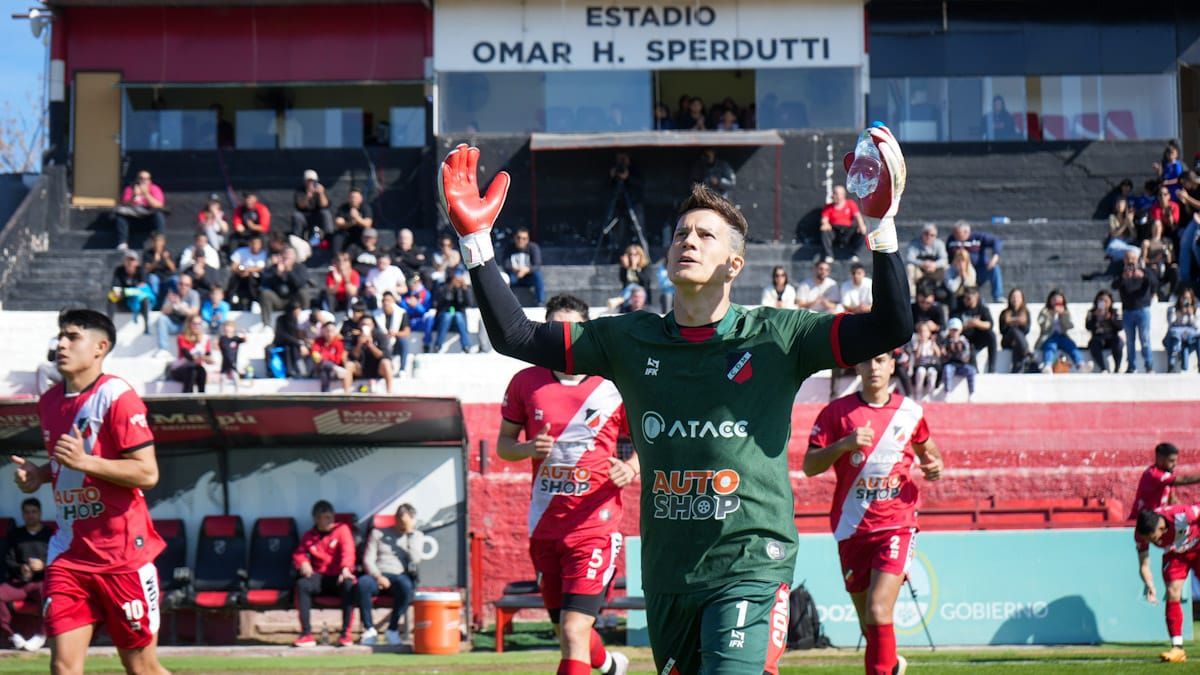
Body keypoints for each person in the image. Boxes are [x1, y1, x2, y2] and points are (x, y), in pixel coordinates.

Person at [437, 124, 912, 673]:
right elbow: (516, 336)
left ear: (734, 264)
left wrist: (880, 228)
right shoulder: (628, 339)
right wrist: (476, 243)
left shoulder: (780, 335)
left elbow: (891, 326)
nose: (689, 240)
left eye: (706, 235)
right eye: (682, 233)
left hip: (751, 563)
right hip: (669, 573)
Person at [13, 309, 167, 674]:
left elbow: (147, 473)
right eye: (60, 337)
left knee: (142, 669)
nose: (61, 344)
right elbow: (67, 465)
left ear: (100, 347)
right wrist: (39, 475)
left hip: (122, 556)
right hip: (69, 554)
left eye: (72, 337)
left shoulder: (117, 396)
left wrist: (86, 462)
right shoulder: (49, 402)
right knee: (63, 667)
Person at [497, 294, 635, 675]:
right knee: (566, 629)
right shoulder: (526, 382)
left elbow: (650, 440)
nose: (563, 337)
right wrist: (527, 448)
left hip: (594, 528)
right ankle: (610, 666)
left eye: (572, 329)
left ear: (585, 333)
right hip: (544, 527)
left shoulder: (612, 385)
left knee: (574, 629)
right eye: (555, 329)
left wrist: (632, 467)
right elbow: (504, 445)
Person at [805, 351, 942, 675]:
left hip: (897, 524)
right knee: (870, 625)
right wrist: (844, 445)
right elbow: (810, 465)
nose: (873, 367)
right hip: (852, 528)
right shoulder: (836, 412)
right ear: (857, 366)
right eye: (866, 361)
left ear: (892, 365)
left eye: (880, 360)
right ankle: (891, 665)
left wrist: (935, 465)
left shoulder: (910, 412)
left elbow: (930, 452)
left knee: (879, 611)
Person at [1135, 487, 1200, 665]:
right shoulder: (1141, 534)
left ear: (1160, 527)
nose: (1150, 541)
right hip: (1175, 555)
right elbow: (1144, 564)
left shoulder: (1182, 515)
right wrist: (1150, 585)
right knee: (1172, 591)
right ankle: (1177, 648)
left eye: (1152, 537)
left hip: (1198, 547)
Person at [357, 504, 427, 646]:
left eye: (406, 522)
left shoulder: (417, 536)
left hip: (399, 575)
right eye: (400, 521)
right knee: (363, 584)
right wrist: (378, 576)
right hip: (378, 574)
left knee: (407, 587)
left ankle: (393, 629)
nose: (402, 525)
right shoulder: (377, 533)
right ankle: (369, 629)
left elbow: (415, 559)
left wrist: (409, 535)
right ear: (395, 519)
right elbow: (368, 560)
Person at [292, 500, 356, 648]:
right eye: (324, 518)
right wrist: (303, 563)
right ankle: (306, 634)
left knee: (349, 585)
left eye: (330, 517)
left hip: (338, 575)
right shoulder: (309, 536)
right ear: (316, 519)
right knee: (302, 585)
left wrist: (346, 568)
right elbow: (299, 553)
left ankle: (346, 634)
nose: (328, 521)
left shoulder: (342, 529)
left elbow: (348, 550)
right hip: (319, 576)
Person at [0, 497, 51, 651]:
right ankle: (12, 635)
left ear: (40, 513)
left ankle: (41, 635)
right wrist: (21, 568)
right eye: (27, 512)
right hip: (20, 583)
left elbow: (58, 560)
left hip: (42, 582)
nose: (30, 515)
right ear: (23, 514)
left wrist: (43, 565)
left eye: (34, 512)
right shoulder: (15, 535)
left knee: (50, 597)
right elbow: (8, 560)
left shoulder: (50, 535)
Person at [1112, 249, 1157, 374]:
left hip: (1143, 310)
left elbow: (1155, 282)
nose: (1130, 261)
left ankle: (1149, 365)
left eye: (1132, 258)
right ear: (1124, 260)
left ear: (1137, 259)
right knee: (1130, 341)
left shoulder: (1145, 271)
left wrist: (1143, 276)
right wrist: (1123, 277)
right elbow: (1114, 286)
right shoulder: (1121, 272)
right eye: (1128, 258)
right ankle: (1131, 366)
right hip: (1128, 311)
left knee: (1145, 338)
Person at [945, 221, 1004, 303]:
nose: (955, 235)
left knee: (995, 268)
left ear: (966, 232)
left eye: (957, 233)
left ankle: (998, 296)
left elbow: (996, 241)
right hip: (959, 272)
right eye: (954, 232)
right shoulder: (951, 240)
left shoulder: (977, 237)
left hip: (979, 270)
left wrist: (995, 257)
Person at [259, 246, 313, 326]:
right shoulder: (274, 268)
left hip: (294, 300)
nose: (287, 257)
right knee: (265, 294)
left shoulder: (300, 267)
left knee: (303, 291)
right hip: (279, 300)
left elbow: (300, 283)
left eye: (290, 254)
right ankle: (266, 325)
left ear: (294, 257)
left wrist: (289, 271)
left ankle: (306, 320)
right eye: (285, 254)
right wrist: (278, 274)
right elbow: (265, 283)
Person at [113, 171, 166, 251]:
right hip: (133, 217)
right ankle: (122, 243)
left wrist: (146, 194)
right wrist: (134, 195)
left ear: (150, 180)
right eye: (141, 178)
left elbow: (159, 205)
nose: (144, 181)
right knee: (120, 214)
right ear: (137, 179)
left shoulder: (154, 188)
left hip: (148, 217)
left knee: (159, 214)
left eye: (147, 179)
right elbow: (125, 204)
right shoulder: (130, 188)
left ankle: (159, 239)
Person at [1036, 289, 1085, 373]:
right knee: (1051, 347)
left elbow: (1069, 325)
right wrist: (1051, 315)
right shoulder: (1045, 311)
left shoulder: (1065, 312)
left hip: (1062, 336)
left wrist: (1063, 315)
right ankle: (1047, 365)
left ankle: (1080, 364)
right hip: (1049, 337)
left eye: (1059, 299)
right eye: (1054, 299)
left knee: (1071, 346)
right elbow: (1042, 325)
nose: (1056, 301)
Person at [106, 250, 153, 333]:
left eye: (132, 260)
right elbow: (115, 286)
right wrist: (119, 292)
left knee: (145, 299)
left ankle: (146, 326)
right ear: (124, 262)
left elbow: (142, 288)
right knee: (111, 296)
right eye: (127, 260)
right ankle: (110, 325)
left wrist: (125, 291)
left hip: (136, 301)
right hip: (124, 300)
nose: (130, 263)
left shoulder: (141, 270)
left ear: (137, 263)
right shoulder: (119, 270)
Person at [818, 185, 867, 264]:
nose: (833, 195)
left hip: (848, 231)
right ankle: (829, 255)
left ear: (842, 195)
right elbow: (824, 219)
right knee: (824, 231)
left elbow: (858, 216)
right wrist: (825, 224)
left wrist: (861, 226)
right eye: (833, 193)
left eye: (835, 193)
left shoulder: (850, 203)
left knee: (862, 231)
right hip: (834, 231)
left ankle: (854, 254)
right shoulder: (828, 207)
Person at [154, 273, 201, 355]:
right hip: (174, 324)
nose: (183, 286)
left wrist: (179, 305)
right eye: (181, 284)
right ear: (177, 284)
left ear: (190, 286)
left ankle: (196, 350)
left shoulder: (194, 294)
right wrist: (171, 303)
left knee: (199, 323)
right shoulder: (172, 293)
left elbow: (194, 313)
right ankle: (163, 349)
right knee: (162, 319)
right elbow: (164, 311)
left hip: (187, 326)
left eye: (187, 285)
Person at [346, 315, 394, 393]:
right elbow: (353, 356)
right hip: (361, 369)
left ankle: (389, 392)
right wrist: (359, 344)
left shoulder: (380, 336)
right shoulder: (354, 337)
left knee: (386, 363)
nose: (365, 326)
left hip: (378, 369)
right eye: (363, 324)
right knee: (349, 365)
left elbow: (383, 355)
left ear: (373, 325)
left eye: (368, 324)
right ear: (359, 325)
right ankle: (346, 393)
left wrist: (371, 345)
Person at [431, 269, 475, 353]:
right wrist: (450, 287)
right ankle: (438, 345)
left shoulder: (464, 288)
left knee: (458, 315)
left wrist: (464, 289)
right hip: (444, 319)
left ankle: (466, 346)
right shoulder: (443, 287)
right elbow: (440, 302)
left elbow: (470, 303)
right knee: (447, 316)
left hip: (459, 320)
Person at [953, 287, 996, 373]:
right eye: (964, 298)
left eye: (968, 298)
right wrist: (966, 325)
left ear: (976, 297)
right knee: (968, 345)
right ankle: (975, 371)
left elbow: (989, 324)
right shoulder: (959, 309)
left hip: (979, 337)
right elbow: (954, 326)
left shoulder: (982, 309)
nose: (965, 300)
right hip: (965, 338)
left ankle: (992, 368)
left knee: (991, 335)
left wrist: (977, 323)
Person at [168, 316, 214, 393]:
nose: (197, 326)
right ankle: (187, 396)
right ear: (189, 324)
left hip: (196, 368)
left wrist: (209, 359)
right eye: (194, 324)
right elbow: (188, 356)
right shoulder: (182, 337)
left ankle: (201, 396)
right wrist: (203, 357)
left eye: (199, 324)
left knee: (202, 371)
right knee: (191, 371)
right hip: (181, 369)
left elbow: (208, 355)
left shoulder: (205, 339)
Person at [226, 234, 268, 310]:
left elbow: (261, 268)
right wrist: (240, 271)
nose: (255, 246)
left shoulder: (264, 254)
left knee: (252, 278)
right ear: (249, 243)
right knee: (233, 278)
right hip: (240, 275)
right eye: (253, 243)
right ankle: (231, 298)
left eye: (257, 244)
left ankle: (255, 300)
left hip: (256, 278)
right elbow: (233, 266)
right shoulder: (241, 251)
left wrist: (248, 270)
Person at [1085, 289, 1123, 373]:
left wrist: (1111, 318)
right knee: (1093, 344)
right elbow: (1088, 327)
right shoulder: (1091, 312)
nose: (1104, 303)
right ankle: (1103, 368)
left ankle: (1117, 367)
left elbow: (1120, 326)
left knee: (1119, 343)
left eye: (1106, 301)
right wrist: (1095, 318)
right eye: (1101, 300)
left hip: (1112, 337)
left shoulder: (1115, 312)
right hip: (1098, 337)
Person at [504, 228, 545, 304]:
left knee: (538, 275)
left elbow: (537, 265)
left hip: (529, 277)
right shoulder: (509, 248)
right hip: (514, 276)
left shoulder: (533, 247)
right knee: (504, 278)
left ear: (528, 239)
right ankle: (505, 303)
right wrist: (517, 270)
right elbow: (506, 264)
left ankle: (540, 301)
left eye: (524, 238)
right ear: (514, 238)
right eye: (518, 238)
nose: (521, 240)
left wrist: (526, 270)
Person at [904, 223, 948, 294]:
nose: (929, 237)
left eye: (932, 235)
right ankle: (911, 294)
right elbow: (909, 258)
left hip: (934, 270)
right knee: (909, 267)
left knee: (946, 268)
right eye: (926, 234)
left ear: (935, 236)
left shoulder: (939, 244)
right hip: (919, 270)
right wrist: (922, 264)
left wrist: (934, 265)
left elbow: (944, 259)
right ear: (922, 234)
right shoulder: (914, 243)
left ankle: (943, 292)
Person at [292, 169, 333, 245]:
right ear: (305, 181)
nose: (311, 183)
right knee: (297, 216)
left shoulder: (321, 190)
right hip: (304, 216)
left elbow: (325, 205)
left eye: (313, 181)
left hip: (318, 215)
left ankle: (328, 238)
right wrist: (308, 196)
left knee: (326, 213)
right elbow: (300, 206)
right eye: (309, 181)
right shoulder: (300, 191)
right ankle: (297, 239)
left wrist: (321, 194)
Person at [375, 291, 412, 374]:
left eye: (388, 300)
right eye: (384, 300)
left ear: (393, 301)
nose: (386, 303)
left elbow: (407, 332)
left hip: (395, 343)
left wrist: (395, 334)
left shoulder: (401, 313)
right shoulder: (375, 315)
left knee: (403, 341)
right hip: (381, 343)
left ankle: (402, 369)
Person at [311, 321, 353, 393]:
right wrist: (327, 357)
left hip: (332, 371)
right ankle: (334, 368)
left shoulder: (339, 343)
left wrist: (323, 356)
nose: (329, 333)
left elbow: (338, 360)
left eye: (332, 331)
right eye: (327, 331)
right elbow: (315, 355)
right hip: (321, 368)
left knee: (324, 370)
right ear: (323, 331)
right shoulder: (318, 341)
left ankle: (325, 393)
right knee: (323, 364)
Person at [1164, 289, 1200, 372]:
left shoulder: (1196, 309)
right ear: (1180, 298)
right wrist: (1179, 314)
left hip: (1190, 339)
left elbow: (1197, 326)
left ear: (1192, 299)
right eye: (1184, 298)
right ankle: (1171, 362)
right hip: (1177, 339)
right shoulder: (1173, 309)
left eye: (1188, 298)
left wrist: (1191, 315)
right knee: (1174, 336)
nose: (1186, 300)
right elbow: (1171, 324)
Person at [941, 318, 977, 400]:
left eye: (956, 330)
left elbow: (966, 357)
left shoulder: (964, 341)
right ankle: (947, 392)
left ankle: (972, 393)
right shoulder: (945, 341)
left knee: (971, 370)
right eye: (952, 330)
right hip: (950, 364)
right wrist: (948, 351)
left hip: (962, 365)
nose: (954, 332)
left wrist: (958, 348)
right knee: (947, 369)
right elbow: (944, 357)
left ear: (960, 330)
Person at [998, 288, 1032, 373]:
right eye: (1013, 297)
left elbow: (1026, 330)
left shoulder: (1025, 313)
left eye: (1018, 297)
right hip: (1007, 341)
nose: (1015, 299)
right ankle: (1026, 352)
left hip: (1020, 342)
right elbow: (1002, 330)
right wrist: (1017, 321)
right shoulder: (1004, 313)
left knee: (1017, 344)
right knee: (1013, 330)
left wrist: (1011, 321)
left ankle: (1016, 371)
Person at [273, 303, 311, 378]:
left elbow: (300, 334)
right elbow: (282, 334)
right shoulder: (281, 319)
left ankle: (302, 370)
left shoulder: (298, 320)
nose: (298, 313)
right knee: (290, 348)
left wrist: (303, 343)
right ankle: (292, 371)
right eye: (296, 312)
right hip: (283, 342)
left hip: (295, 344)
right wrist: (299, 344)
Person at [332, 188, 374, 254]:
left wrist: (357, 218)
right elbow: (338, 222)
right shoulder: (343, 208)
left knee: (369, 235)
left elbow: (368, 224)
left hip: (361, 233)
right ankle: (337, 256)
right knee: (337, 236)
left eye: (356, 198)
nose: (353, 199)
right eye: (352, 197)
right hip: (346, 233)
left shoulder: (365, 208)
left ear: (361, 199)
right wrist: (351, 223)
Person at [908, 322, 942, 400]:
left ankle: (930, 394)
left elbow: (938, 354)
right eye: (921, 331)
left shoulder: (931, 343)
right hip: (921, 365)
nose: (923, 333)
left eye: (926, 331)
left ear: (929, 333)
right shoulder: (917, 343)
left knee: (932, 372)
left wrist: (934, 344)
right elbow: (917, 356)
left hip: (931, 365)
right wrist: (920, 344)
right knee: (921, 372)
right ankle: (918, 393)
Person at [141, 233, 176, 304]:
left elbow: (173, 269)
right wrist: (155, 262)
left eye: (160, 241)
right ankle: (154, 302)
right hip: (154, 276)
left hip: (167, 278)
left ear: (163, 242)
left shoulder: (168, 252)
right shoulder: (148, 253)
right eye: (156, 241)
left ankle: (177, 301)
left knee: (175, 279)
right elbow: (146, 270)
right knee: (153, 279)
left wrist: (166, 259)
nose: (157, 243)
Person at [217, 320, 246, 392]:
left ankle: (237, 391)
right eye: (226, 327)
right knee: (223, 377)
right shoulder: (222, 338)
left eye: (229, 327)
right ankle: (221, 392)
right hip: (225, 361)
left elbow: (244, 340)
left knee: (235, 376)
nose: (228, 329)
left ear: (233, 328)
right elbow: (218, 346)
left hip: (233, 361)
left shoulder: (235, 338)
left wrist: (244, 333)